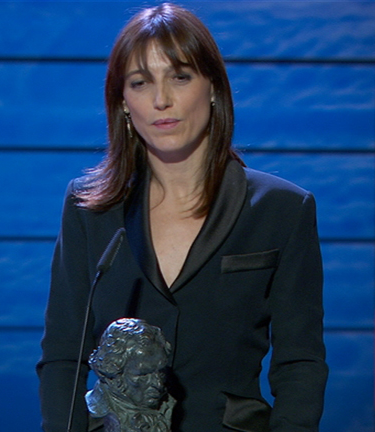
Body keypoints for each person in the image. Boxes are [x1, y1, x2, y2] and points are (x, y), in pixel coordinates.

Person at [36, 3, 328, 431]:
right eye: (141, 82)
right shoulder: (89, 209)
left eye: (180, 77)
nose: (161, 100)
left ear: (212, 88)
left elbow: (300, 363)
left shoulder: (282, 210)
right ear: (123, 103)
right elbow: (65, 355)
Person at [86, 318, 176, 432]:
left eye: (161, 373)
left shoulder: (167, 405)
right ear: (114, 375)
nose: (158, 384)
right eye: (144, 375)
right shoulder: (87, 414)